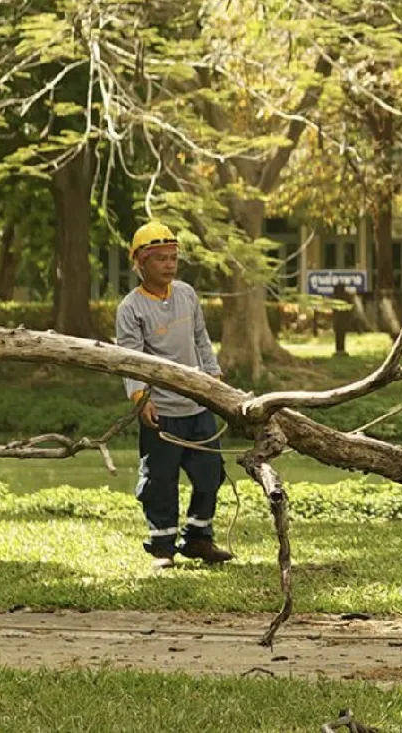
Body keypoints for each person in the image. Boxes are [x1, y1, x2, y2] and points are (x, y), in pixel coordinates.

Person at [115, 221, 234, 568]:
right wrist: (140, 399)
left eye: (173, 258)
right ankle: (163, 547)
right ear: (140, 263)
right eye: (160, 259)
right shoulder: (130, 309)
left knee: (210, 473)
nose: (169, 265)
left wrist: (214, 379)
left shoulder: (186, 294)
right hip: (162, 411)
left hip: (198, 406)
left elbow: (201, 339)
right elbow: (129, 359)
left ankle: (199, 538)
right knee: (160, 481)